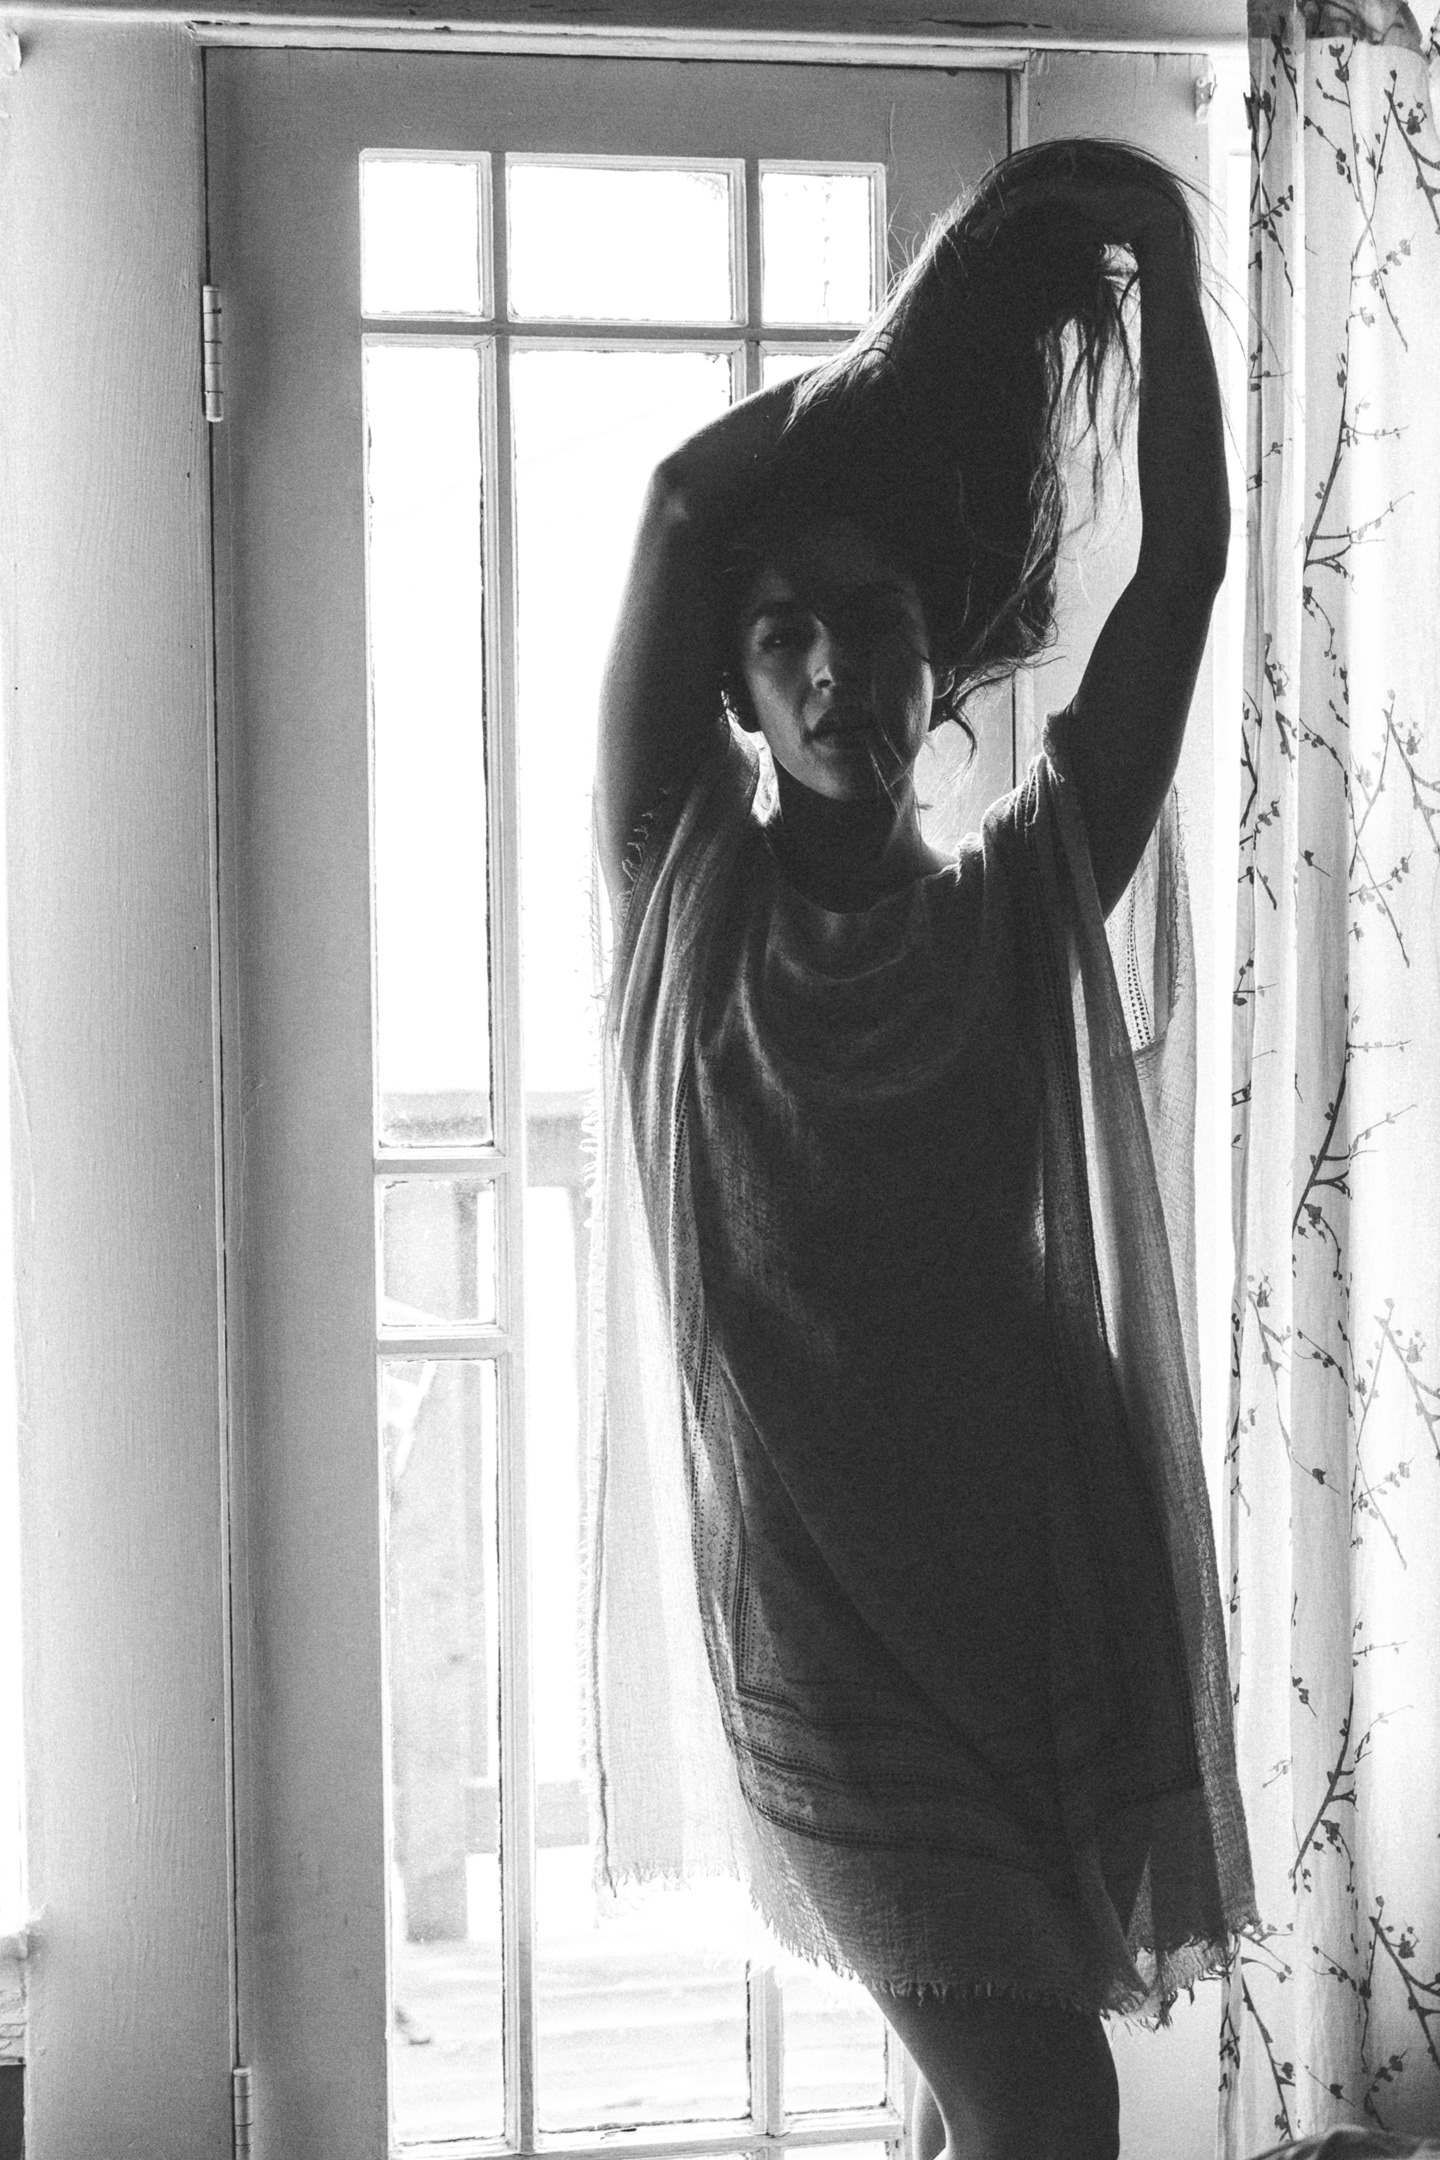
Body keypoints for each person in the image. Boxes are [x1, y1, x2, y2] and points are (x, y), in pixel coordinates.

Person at [586, 139, 1257, 2160]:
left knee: (1000, 2105)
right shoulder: (684, 892)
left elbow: (1183, 574)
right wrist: (930, 338)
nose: (830, 667)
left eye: (870, 622)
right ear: (738, 690)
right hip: (820, 1638)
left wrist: (1166, 263)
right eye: (782, 635)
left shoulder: (1021, 900)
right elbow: (681, 503)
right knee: (1049, 2105)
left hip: (1027, 1603)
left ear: (933, 654)